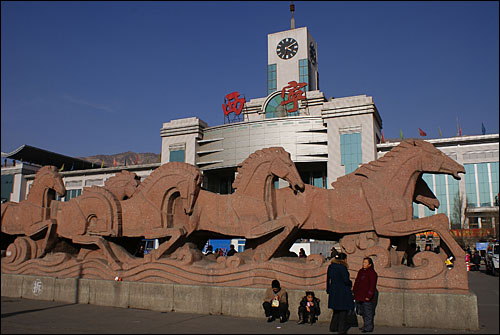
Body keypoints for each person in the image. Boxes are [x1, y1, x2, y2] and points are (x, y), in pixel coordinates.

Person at [327, 252, 355, 334]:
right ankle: (341, 329)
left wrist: (328, 289)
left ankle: (333, 327)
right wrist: (350, 283)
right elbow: (346, 280)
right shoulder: (342, 267)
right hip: (342, 291)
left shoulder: (331, 267)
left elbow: (328, 279)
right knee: (343, 311)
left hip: (333, 290)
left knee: (336, 311)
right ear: (344, 259)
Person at [353, 257, 378, 333]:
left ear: (370, 264)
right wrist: (354, 291)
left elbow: (372, 286)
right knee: (362, 311)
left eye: (366, 263)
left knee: (368, 312)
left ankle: (368, 327)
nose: (364, 264)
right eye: (363, 262)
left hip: (366, 296)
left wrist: (369, 295)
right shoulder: (361, 271)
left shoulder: (372, 273)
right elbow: (357, 282)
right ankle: (365, 325)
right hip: (359, 295)